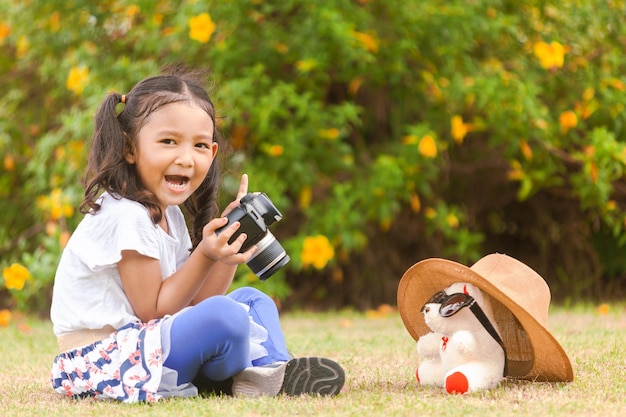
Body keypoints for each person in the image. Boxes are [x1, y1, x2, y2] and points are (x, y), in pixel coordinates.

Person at [49, 67, 345, 403]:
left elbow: (197, 302)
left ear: (213, 153)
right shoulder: (126, 214)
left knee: (251, 300)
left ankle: (271, 370)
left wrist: (230, 246)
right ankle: (244, 373)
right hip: (107, 360)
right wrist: (205, 254)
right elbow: (153, 311)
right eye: (168, 142)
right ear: (129, 148)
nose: (186, 158)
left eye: (200, 145)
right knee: (226, 316)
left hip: (152, 346)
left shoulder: (169, 214)